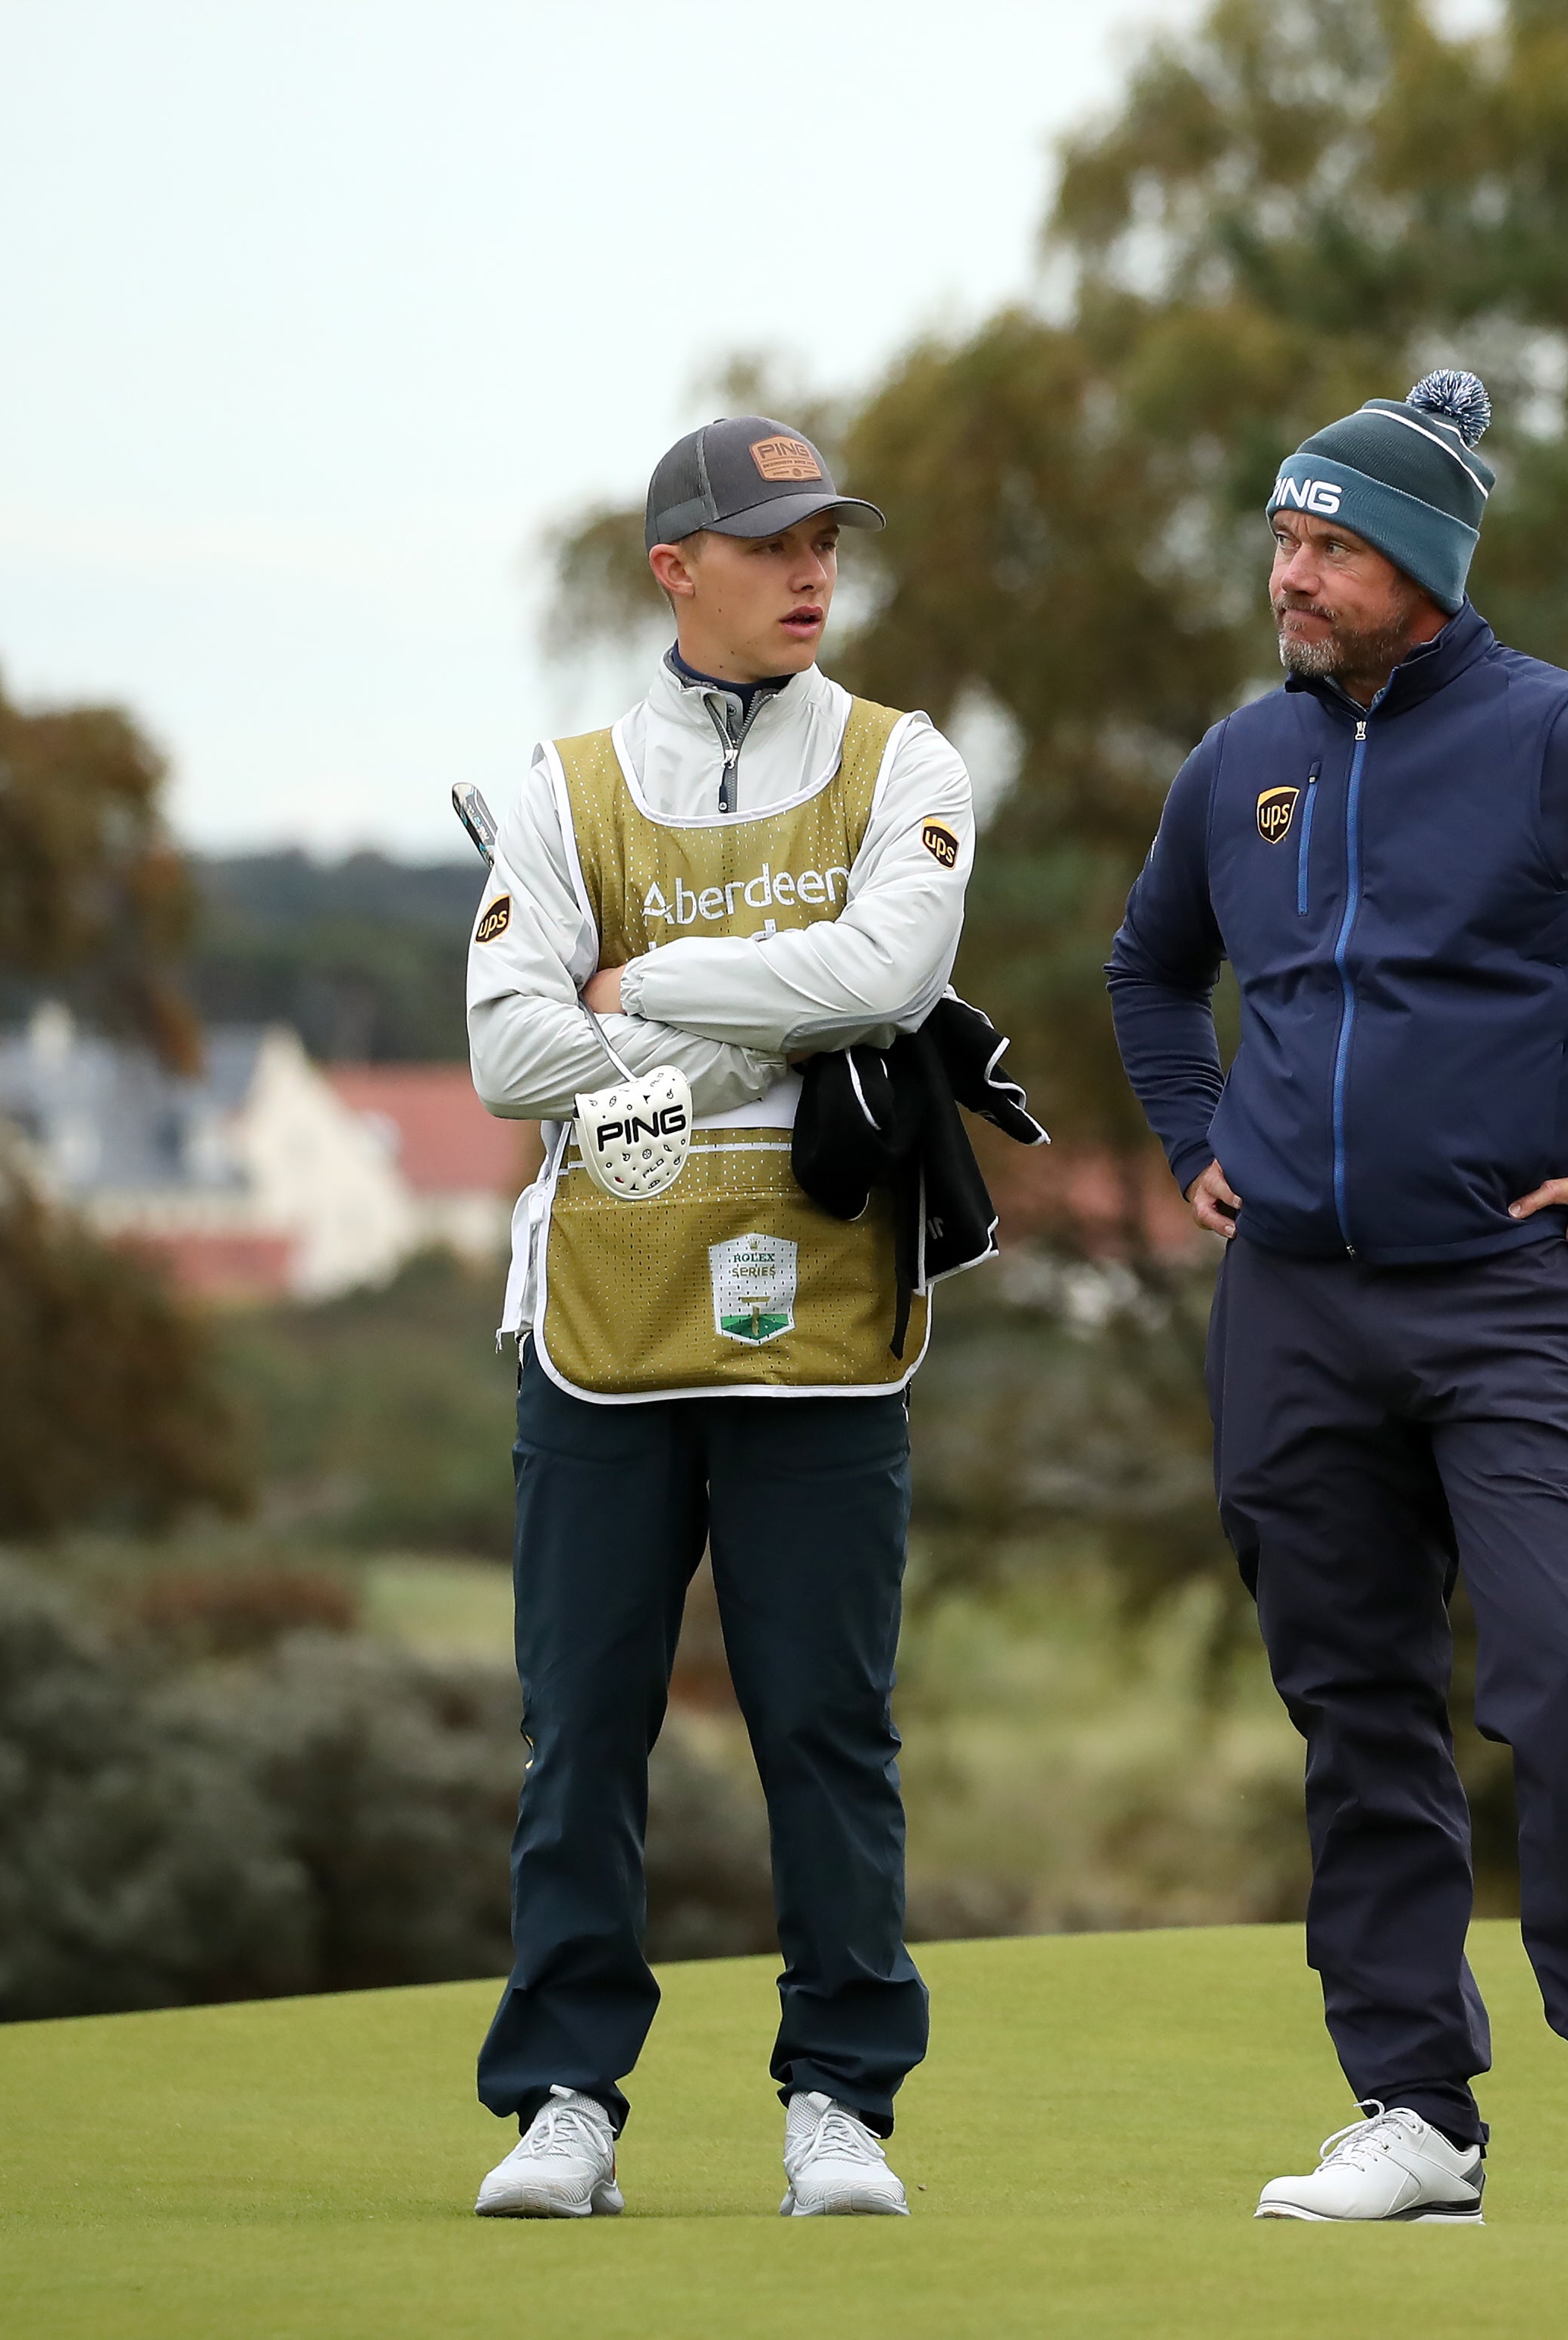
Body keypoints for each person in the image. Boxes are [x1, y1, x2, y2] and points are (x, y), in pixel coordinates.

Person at [1105, 371, 1568, 2230]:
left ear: (1422, 565)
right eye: (1283, 540)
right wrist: (1195, 1126)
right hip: (1292, 1310)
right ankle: (1413, 2111)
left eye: (1331, 545)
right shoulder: (1240, 765)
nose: (1294, 575)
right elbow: (1148, 968)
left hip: (1516, 1302)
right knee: (1357, 1707)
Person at [463, 416, 977, 2220]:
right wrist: (753, 1031)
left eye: (827, 537)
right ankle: (563, 2102)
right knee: (581, 1727)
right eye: (772, 545)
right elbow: (510, 1054)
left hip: (828, 1325)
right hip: (600, 1325)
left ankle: (839, 2099)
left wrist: (645, 986)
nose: (812, 571)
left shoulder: (908, 759)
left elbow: (891, 974)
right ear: (675, 570)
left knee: (827, 1731)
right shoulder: (565, 780)